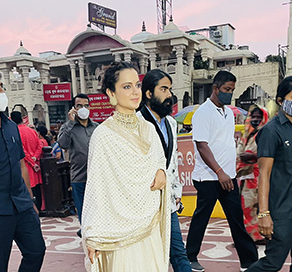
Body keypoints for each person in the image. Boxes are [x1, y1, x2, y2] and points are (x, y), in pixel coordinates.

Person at [81, 62, 170, 271]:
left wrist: (161, 171)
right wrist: (93, 235)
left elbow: (159, 161)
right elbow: (96, 188)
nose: (135, 92)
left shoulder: (148, 129)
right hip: (118, 230)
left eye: (137, 85)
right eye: (126, 86)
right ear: (111, 93)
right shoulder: (103, 135)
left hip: (149, 224)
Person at [0, 68, 45, 272]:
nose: (0, 90)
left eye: (1, 85)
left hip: (22, 205)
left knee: (36, 251)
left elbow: (21, 164)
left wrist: (30, 200)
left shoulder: (11, 126)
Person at [186, 70, 258, 272]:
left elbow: (222, 143)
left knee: (236, 218)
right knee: (202, 218)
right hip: (209, 177)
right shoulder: (203, 113)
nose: (230, 93)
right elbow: (202, 145)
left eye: (232, 90)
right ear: (215, 88)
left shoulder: (228, 113)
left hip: (228, 176)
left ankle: (249, 261)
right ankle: (189, 258)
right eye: (226, 89)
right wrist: (219, 171)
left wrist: (233, 163)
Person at [246, 76, 292, 272]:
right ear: (281, 101)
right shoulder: (271, 131)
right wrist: (264, 214)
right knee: (272, 264)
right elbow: (264, 175)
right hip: (283, 212)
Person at [139, 69, 192, 272]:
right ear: (149, 93)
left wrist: (176, 194)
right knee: (150, 257)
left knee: (178, 253)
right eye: (163, 89)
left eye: (169, 89)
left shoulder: (171, 122)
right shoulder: (137, 123)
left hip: (167, 204)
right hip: (144, 204)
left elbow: (173, 163)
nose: (169, 95)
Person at [58, 93, 98, 237]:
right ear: (73, 109)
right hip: (79, 177)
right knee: (83, 210)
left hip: (97, 177)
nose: (83, 108)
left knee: (98, 210)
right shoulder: (68, 127)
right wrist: (70, 123)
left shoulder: (97, 127)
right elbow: (62, 144)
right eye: (79, 106)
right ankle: (87, 236)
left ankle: (97, 236)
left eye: (86, 105)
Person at [236, 106, 268, 244]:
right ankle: (249, 236)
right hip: (245, 176)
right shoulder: (247, 134)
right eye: (253, 117)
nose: (255, 120)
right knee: (245, 206)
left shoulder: (267, 133)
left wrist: (253, 156)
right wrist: (245, 156)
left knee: (256, 207)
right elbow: (239, 153)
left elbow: (270, 153)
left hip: (259, 176)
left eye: (258, 118)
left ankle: (258, 236)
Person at [11, 111, 44, 211]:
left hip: (26, 165)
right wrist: (35, 157)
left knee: (29, 187)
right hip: (36, 163)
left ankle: (33, 208)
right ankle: (40, 207)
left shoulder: (16, 132)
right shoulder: (32, 130)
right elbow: (39, 145)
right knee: (37, 188)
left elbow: (22, 150)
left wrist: (31, 161)